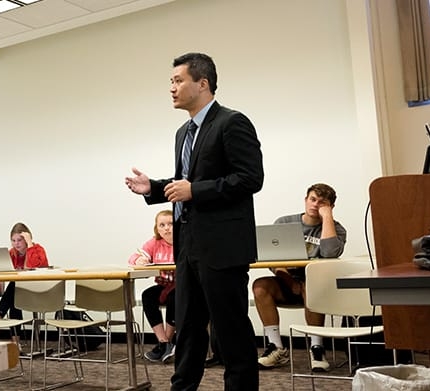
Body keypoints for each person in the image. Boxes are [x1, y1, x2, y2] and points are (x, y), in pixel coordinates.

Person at [125, 52, 264, 391]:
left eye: (178, 80)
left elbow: (250, 178)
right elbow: (184, 185)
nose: (171, 88)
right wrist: (155, 189)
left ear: (202, 84)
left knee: (230, 332)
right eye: (170, 82)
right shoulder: (183, 133)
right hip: (188, 249)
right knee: (187, 329)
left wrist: (195, 190)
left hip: (222, 248)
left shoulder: (232, 122)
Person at [253, 183, 347, 372]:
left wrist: (327, 217)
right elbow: (272, 258)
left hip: (316, 286)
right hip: (286, 282)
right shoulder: (284, 222)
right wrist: (290, 282)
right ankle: (276, 347)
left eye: (322, 203)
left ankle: (317, 347)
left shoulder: (337, 230)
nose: (315, 205)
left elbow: (329, 253)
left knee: (311, 284)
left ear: (330, 206)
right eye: (313, 199)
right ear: (306, 200)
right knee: (259, 285)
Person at [0, 222, 49, 339]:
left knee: (14, 286)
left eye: (20, 240)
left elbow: (32, 267)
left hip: (37, 290)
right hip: (19, 292)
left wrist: (30, 245)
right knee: (15, 295)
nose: (16, 244)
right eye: (13, 240)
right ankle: (16, 342)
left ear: (27, 238)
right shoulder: (12, 253)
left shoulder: (38, 250)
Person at [128, 210, 177, 363]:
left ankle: (167, 342)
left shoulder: (185, 240)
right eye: (162, 225)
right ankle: (164, 342)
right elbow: (134, 257)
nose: (167, 228)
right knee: (147, 295)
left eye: (170, 224)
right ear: (157, 228)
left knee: (175, 297)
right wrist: (139, 260)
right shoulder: (154, 242)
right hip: (163, 284)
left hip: (182, 286)